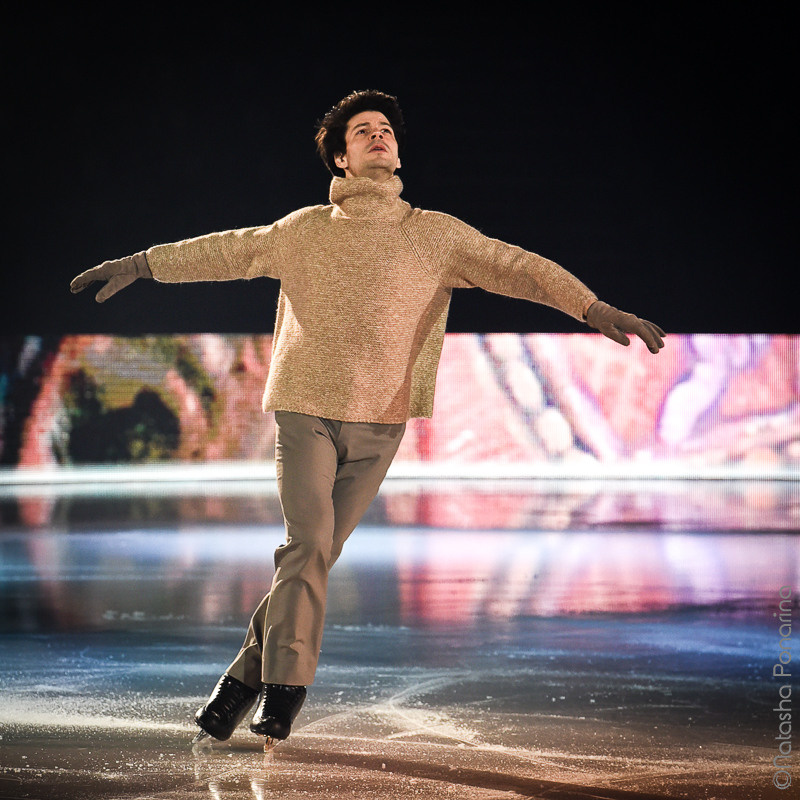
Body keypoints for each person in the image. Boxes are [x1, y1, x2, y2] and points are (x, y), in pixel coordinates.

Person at [70, 89, 665, 746]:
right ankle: (285, 691)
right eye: (362, 130)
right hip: (305, 409)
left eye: (386, 128)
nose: (379, 135)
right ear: (341, 158)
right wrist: (141, 265)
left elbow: (517, 267)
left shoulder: (436, 235)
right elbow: (225, 251)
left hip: (381, 422)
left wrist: (592, 307)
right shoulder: (303, 231)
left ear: (398, 152)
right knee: (307, 544)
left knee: (316, 556)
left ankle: (241, 679)